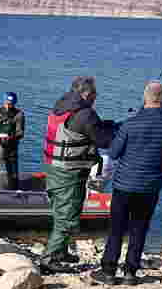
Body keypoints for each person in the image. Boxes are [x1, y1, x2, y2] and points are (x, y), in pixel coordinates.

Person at [92, 81, 162, 286]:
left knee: (117, 228)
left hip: (124, 185)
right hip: (150, 187)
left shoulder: (130, 124)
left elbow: (113, 153)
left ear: (145, 98)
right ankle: (130, 272)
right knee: (140, 228)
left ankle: (109, 271)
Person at [40, 76, 116, 273]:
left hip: (55, 167)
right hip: (70, 172)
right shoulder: (85, 113)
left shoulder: (62, 106)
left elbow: (84, 129)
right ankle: (48, 259)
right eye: (95, 93)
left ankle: (61, 251)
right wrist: (118, 129)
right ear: (87, 94)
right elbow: (104, 140)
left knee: (62, 211)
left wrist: (106, 124)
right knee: (67, 216)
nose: (96, 97)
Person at [0, 91, 25, 190]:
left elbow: (20, 133)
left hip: (11, 146)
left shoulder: (19, 114)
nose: (9, 105)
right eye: (7, 103)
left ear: (14, 103)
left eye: (11, 104)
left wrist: (10, 138)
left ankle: (14, 189)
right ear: (4, 102)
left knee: (12, 168)